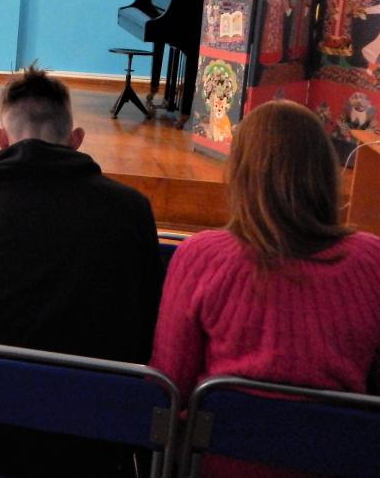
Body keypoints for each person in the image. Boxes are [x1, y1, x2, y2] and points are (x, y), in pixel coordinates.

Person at [0, 65, 162, 476]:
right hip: (103, 444)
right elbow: (149, 340)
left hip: (2, 443)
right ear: (76, 140)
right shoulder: (132, 210)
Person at [151, 100, 380, 478]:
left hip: (216, 463)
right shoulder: (372, 261)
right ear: (325, 172)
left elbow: (167, 386)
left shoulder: (201, 257)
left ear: (239, 174)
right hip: (337, 461)